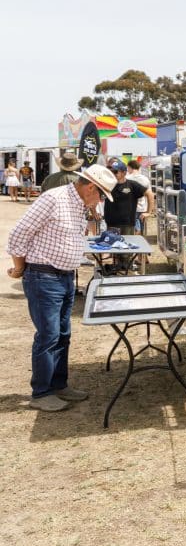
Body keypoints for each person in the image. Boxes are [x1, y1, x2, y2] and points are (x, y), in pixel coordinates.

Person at [7, 164, 117, 411]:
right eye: (100, 195)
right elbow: (18, 235)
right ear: (90, 187)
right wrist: (19, 267)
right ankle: (42, 392)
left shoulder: (78, 204)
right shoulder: (53, 199)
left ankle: (59, 384)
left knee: (62, 334)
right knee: (49, 335)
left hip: (63, 276)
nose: (100, 200)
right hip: (43, 276)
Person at [105, 159, 155, 236]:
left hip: (127, 226)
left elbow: (150, 194)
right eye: (111, 171)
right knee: (111, 247)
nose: (112, 174)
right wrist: (94, 211)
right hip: (111, 225)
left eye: (115, 172)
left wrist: (148, 212)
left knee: (127, 247)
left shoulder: (132, 185)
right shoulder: (107, 184)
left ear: (124, 173)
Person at [126, 159, 152, 234]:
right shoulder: (145, 179)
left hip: (130, 209)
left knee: (132, 232)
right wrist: (149, 212)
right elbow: (150, 196)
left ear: (130, 167)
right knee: (141, 233)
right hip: (142, 209)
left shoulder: (127, 179)